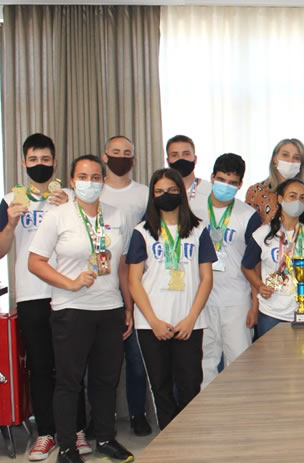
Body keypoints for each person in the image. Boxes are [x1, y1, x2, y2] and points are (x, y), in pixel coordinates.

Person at [28, 154, 134, 463]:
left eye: (96, 177)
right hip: (71, 310)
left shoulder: (117, 215)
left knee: (106, 380)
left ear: (103, 181)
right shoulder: (58, 216)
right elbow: (35, 261)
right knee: (69, 382)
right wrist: (70, 283)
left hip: (110, 308)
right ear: (73, 182)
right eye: (83, 177)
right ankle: (68, 448)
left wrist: (128, 306)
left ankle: (105, 438)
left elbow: (122, 266)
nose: (90, 182)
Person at [0, 134, 85, 461]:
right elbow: (1, 250)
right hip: (31, 293)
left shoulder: (69, 197)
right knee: (39, 366)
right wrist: (11, 223)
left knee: (71, 365)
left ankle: (76, 430)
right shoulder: (11, 200)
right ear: (24, 162)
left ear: (55, 162)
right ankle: (46, 432)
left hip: (67, 291)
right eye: (33, 160)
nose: (40, 165)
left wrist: (70, 211)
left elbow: (88, 238)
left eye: (45, 159)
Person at [127, 168, 215, 430]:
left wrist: (191, 318)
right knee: (161, 387)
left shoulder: (199, 230)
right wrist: (153, 321)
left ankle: (189, 439)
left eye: (172, 190)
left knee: (190, 385)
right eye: (160, 192)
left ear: (181, 193)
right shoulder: (142, 232)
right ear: (152, 196)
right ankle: (169, 441)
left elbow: (207, 279)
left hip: (190, 322)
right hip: (152, 324)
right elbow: (134, 281)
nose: (166, 196)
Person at [191, 153, 260, 388]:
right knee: (204, 363)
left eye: (232, 183)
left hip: (237, 300)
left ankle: (239, 409)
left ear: (240, 185)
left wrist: (255, 304)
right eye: (221, 180)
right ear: (211, 178)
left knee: (240, 363)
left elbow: (255, 264)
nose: (226, 186)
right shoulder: (192, 210)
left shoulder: (248, 216)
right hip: (201, 299)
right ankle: (206, 410)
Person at [98, 135, 152, 436]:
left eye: (126, 153)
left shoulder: (144, 193)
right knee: (101, 357)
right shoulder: (94, 190)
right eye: (115, 152)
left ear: (133, 159)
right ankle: (99, 418)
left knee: (136, 355)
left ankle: (137, 413)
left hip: (137, 278)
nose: (121, 157)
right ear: (105, 157)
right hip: (100, 280)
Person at [242, 179, 304, 337]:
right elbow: (247, 266)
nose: (297, 201)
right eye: (292, 196)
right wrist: (260, 286)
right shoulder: (262, 234)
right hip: (273, 313)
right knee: (274, 354)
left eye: (302, 198)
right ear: (280, 199)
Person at [245, 138, 304, 224]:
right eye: (285, 155)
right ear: (275, 159)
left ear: (301, 163)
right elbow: (248, 226)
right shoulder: (256, 191)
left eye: (296, 157)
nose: (290, 161)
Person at [166, 134, 211, 209]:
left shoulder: (210, 190)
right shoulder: (162, 192)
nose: (181, 158)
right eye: (174, 155)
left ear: (195, 159)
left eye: (186, 154)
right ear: (168, 161)